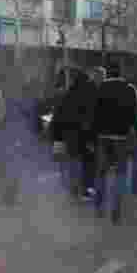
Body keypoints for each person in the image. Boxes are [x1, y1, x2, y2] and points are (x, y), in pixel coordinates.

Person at [92, 63, 137, 224]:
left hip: (103, 137)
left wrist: (93, 135)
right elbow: (134, 115)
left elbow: (94, 113)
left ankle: (98, 206)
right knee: (120, 173)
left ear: (108, 73)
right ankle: (116, 211)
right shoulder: (129, 89)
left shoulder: (100, 88)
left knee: (101, 172)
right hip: (122, 137)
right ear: (121, 72)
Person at [51, 68, 94, 200]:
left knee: (74, 161)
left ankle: (73, 190)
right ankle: (84, 191)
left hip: (70, 135)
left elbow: (59, 116)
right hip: (84, 135)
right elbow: (92, 116)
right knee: (86, 163)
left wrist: (57, 136)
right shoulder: (89, 94)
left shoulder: (69, 94)